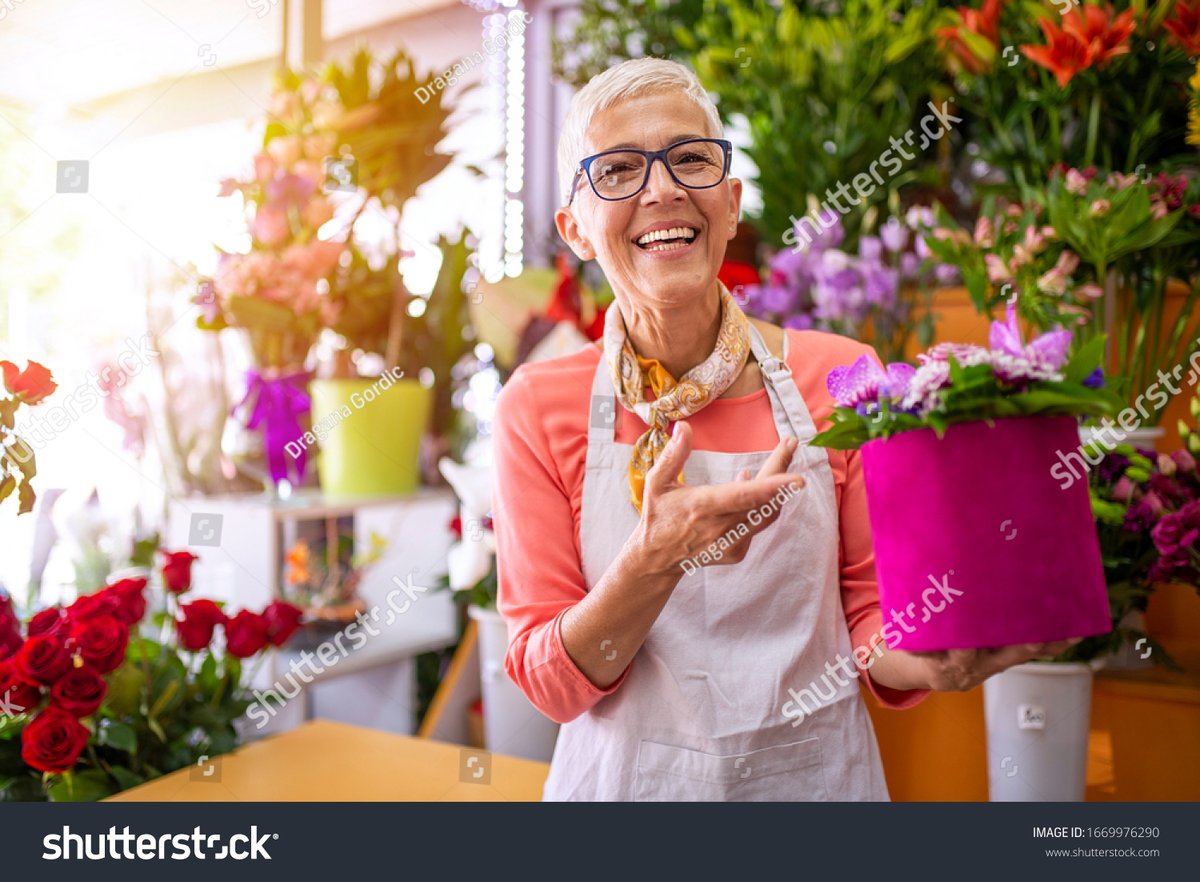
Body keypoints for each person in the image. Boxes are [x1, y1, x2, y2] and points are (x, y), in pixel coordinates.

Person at [491, 57, 1075, 801]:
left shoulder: (843, 376)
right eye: (618, 170)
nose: (662, 188)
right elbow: (551, 686)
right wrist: (653, 561)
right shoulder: (538, 407)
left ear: (730, 205)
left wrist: (931, 658)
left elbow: (869, 621)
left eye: (691, 160)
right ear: (574, 229)